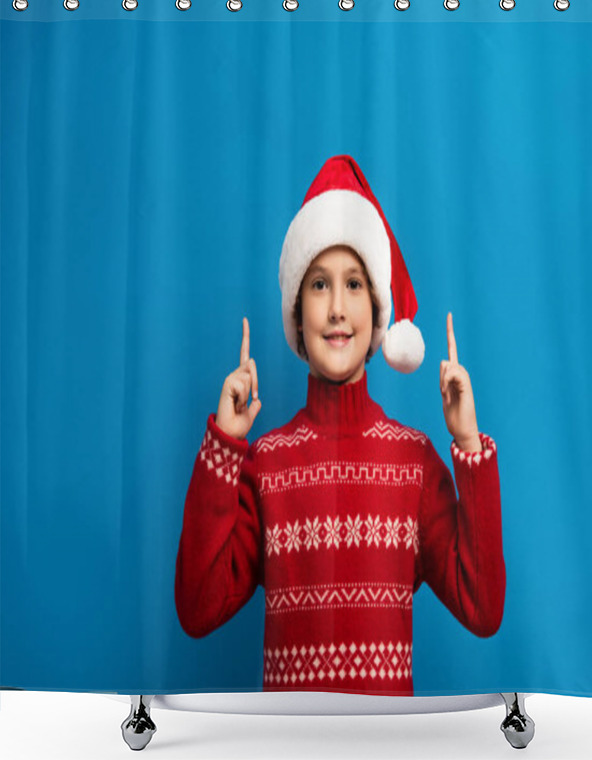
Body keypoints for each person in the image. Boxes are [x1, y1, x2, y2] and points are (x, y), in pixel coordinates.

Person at [175, 155, 505, 695]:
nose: (336, 309)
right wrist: (225, 446)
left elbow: (483, 606)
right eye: (319, 285)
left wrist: (467, 445)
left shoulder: (414, 462)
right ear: (297, 313)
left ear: (377, 313)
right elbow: (197, 605)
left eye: (354, 285)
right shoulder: (265, 463)